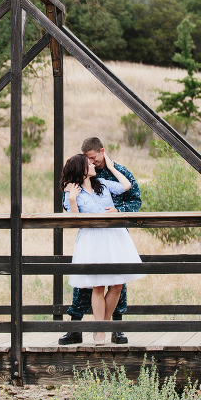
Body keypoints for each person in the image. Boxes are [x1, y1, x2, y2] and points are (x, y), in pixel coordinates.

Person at [59, 137, 142, 345]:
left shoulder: (107, 179)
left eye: (93, 158)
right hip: (92, 238)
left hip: (114, 235)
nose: (91, 162)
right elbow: (73, 218)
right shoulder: (73, 190)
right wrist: (70, 198)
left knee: (117, 284)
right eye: (87, 160)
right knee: (93, 285)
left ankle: (110, 327)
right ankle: (90, 329)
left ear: (102, 152)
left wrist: (118, 210)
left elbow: (130, 192)